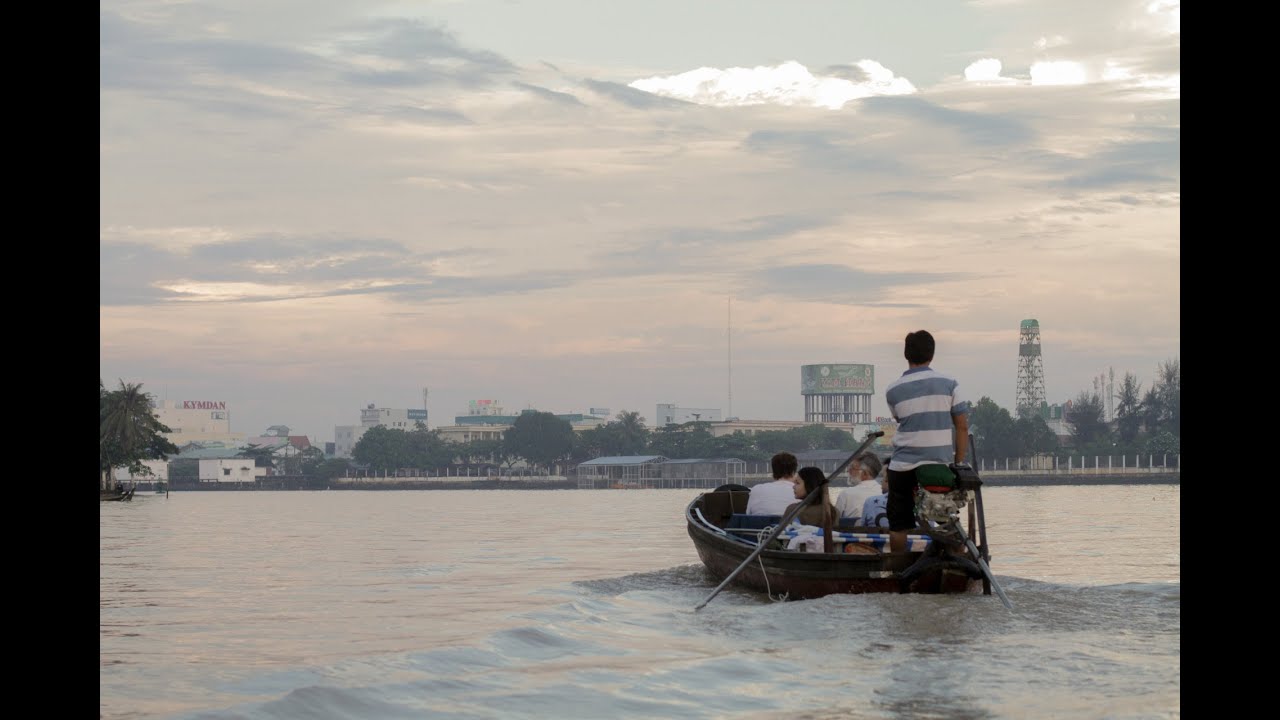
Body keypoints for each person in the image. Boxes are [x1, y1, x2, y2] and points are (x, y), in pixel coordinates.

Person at [884, 330, 970, 552]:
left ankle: (898, 568)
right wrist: (958, 463)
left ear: (906, 355)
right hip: (937, 466)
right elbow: (961, 426)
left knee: (898, 525)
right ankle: (957, 561)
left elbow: (900, 419)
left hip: (902, 466)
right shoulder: (950, 384)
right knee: (947, 520)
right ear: (932, 354)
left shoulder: (893, 390)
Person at [833, 452, 884, 520]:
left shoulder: (846, 494)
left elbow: (834, 521)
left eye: (852, 468)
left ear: (865, 474)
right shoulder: (883, 493)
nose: (848, 470)